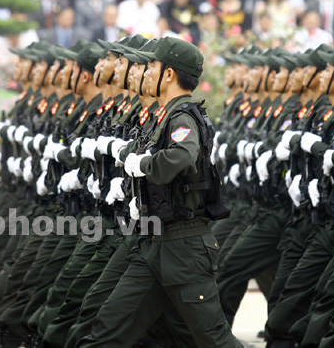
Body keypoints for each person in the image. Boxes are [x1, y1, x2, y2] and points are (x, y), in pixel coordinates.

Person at [80, 36, 242, 348]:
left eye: (153, 65)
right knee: (108, 328)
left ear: (169, 74)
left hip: (185, 248)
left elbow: (182, 156)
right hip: (154, 243)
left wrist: (144, 165)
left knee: (213, 339)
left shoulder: (182, 116)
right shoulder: (165, 115)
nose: (146, 71)